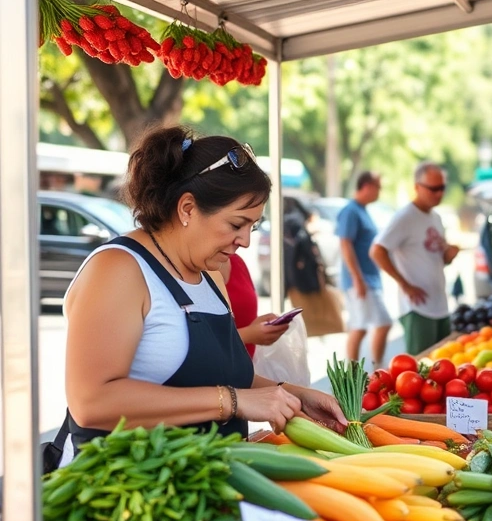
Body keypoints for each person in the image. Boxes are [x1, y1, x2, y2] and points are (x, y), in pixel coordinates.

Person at [57, 126, 345, 468]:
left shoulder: (210, 274)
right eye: (236, 224)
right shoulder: (118, 269)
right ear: (188, 208)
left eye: (252, 227)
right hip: (121, 492)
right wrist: (233, 401)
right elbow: (92, 403)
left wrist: (290, 394)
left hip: (203, 484)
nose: (245, 242)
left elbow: (217, 370)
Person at [371, 162, 459, 356]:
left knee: (442, 362)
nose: (439, 194)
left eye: (442, 188)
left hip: (440, 304)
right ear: (417, 187)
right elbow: (377, 250)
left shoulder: (435, 217)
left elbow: (437, 258)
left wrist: (449, 255)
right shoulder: (405, 217)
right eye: (433, 189)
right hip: (418, 308)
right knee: (420, 366)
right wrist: (405, 284)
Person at [336, 172, 392, 366]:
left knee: (368, 325)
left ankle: (375, 368)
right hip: (360, 280)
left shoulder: (362, 210)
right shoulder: (351, 211)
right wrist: (357, 278)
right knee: (363, 326)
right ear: (367, 186)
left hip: (368, 278)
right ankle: (358, 374)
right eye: (378, 187)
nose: (379, 192)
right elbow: (345, 244)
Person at [220, 253, 289, 358]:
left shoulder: (236, 261)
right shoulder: (196, 273)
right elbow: (200, 343)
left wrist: (258, 326)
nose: (245, 243)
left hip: (246, 367)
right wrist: (249, 334)